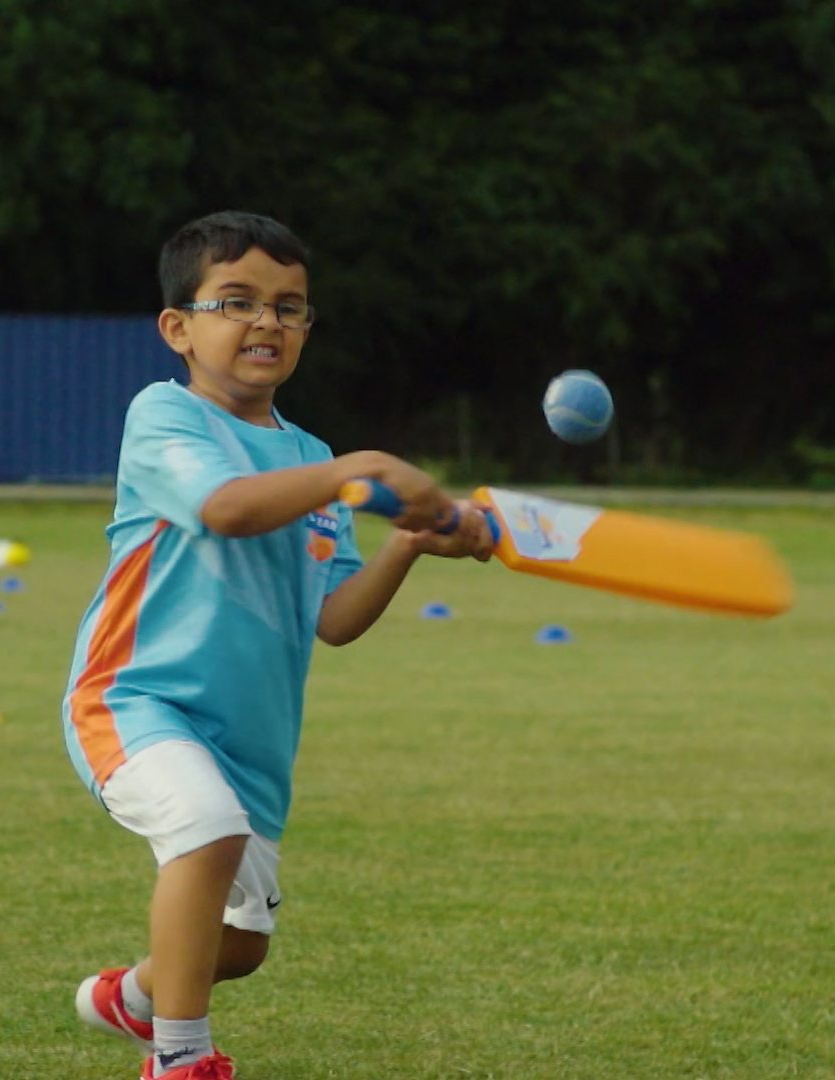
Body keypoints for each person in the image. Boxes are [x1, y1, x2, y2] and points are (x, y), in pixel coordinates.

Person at [61, 210, 494, 1079]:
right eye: (238, 301)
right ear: (178, 328)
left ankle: (135, 999)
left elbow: (332, 617)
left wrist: (409, 539)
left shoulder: (311, 454)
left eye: (290, 307)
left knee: (241, 944)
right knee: (206, 828)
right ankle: (181, 1058)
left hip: (252, 738)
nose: (267, 322)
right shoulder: (165, 417)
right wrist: (356, 472)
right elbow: (225, 506)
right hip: (137, 700)